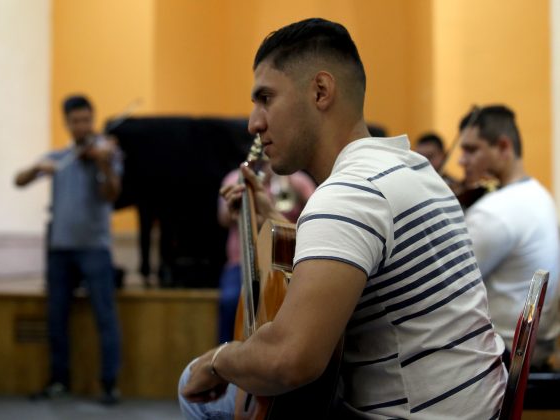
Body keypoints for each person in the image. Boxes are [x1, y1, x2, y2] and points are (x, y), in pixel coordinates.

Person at [178, 18, 506, 419]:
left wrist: (218, 360)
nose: (254, 123)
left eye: (266, 98)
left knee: (189, 387)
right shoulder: (410, 166)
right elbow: (358, 258)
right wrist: (272, 219)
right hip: (469, 406)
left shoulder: (347, 195)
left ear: (320, 91)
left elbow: (289, 360)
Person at [15, 94, 122, 404]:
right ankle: (58, 380)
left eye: (87, 120)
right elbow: (19, 180)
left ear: (93, 119)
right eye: (76, 121)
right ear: (67, 124)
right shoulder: (59, 157)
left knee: (105, 315)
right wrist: (37, 169)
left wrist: (104, 163)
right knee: (56, 316)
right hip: (59, 249)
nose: (82, 126)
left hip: (95, 248)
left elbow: (112, 194)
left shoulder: (106, 154)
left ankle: (109, 383)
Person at [458, 105, 560, 369]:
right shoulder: (540, 194)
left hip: (500, 358)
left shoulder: (495, 211)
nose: (461, 161)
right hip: (533, 351)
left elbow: (448, 287)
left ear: (503, 147)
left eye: (471, 150)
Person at [217, 162, 315, 343]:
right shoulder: (236, 178)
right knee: (231, 300)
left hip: (284, 263)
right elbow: (223, 218)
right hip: (242, 261)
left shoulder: (298, 180)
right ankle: (225, 348)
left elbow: (315, 217)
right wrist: (243, 203)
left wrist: (297, 192)